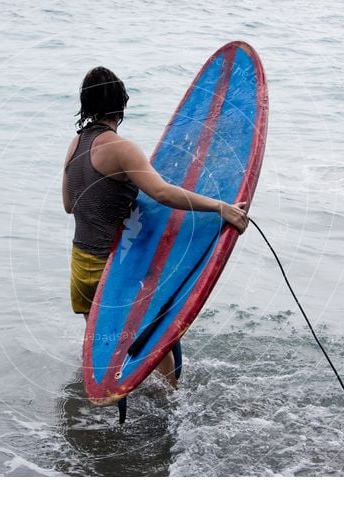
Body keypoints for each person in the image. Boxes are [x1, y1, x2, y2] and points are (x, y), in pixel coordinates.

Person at [62, 66, 248, 388]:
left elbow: (69, 204)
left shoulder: (75, 145)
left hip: (81, 268)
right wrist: (220, 207)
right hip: (114, 269)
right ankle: (170, 408)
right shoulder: (121, 148)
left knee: (104, 344)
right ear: (121, 102)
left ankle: (102, 395)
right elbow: (162, 193)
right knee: (155, 335)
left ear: (86, 104)